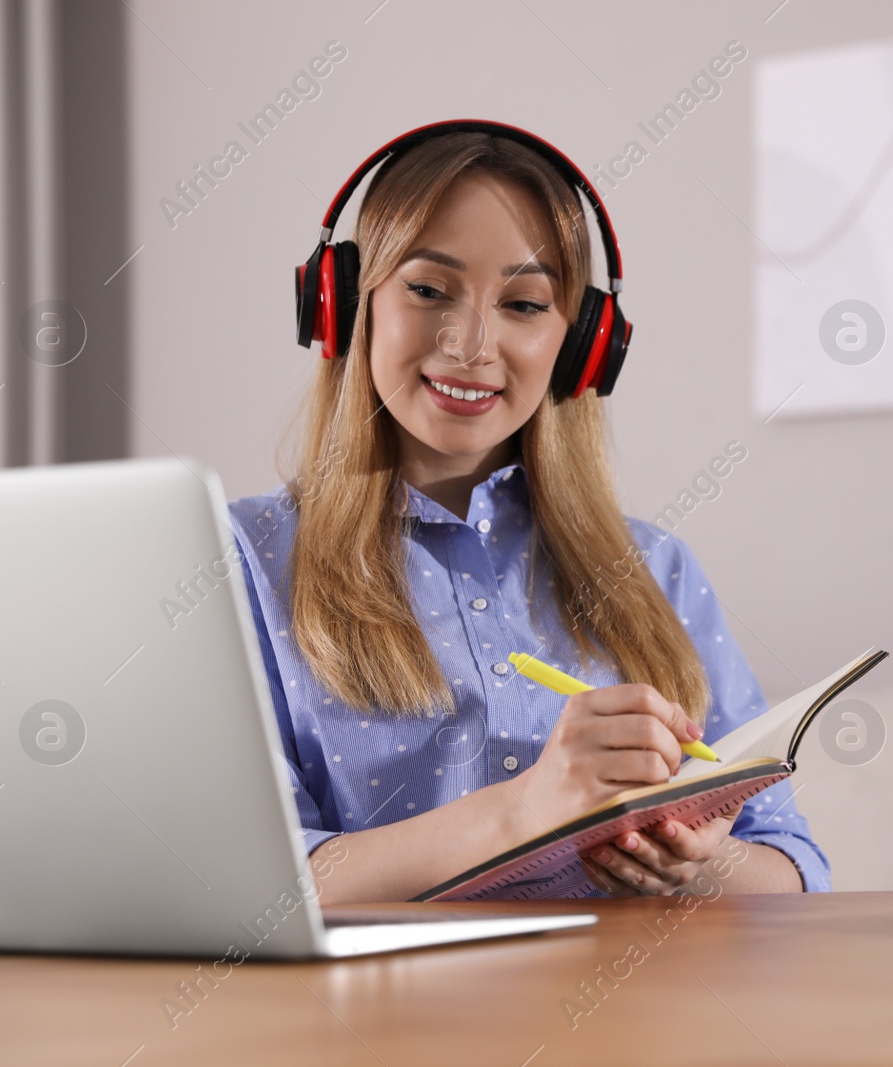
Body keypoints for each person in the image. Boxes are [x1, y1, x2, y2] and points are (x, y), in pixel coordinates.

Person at [226, 123, 828, 903]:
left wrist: (698, 864)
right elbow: (254, 891)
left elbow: (795, 864)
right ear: (347, 303)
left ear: (578, 345)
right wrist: (528, 809)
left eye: (522, 303)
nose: (474, 344)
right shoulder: (242, 558)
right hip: (380, 1023)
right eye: (428, 289)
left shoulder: (656, 571)